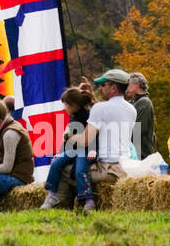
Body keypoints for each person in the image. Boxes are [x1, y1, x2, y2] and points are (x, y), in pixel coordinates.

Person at [78, 69, 137, 205]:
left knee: (68, 170)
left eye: (103, 85)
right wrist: (92, 96)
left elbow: (84, 141)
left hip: (107, 169)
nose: (100, 88)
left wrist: (69, 136)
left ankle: (78, 205)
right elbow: (109, 112)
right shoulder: (131, 110)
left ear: (114, 88)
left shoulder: (100, 108)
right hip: (124, 167)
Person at [40, 85, 95, 208]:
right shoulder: (73, 117)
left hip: (85, 150)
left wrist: (92, 150)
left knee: (80, 170)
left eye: (66, 105)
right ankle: (52, 194)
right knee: (56, 163)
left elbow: (93, 135)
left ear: (74, 104)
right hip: (74, 149)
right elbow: (68, 139)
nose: (64, 108)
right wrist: (60, 153)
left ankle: (88, 200)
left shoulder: (88, 116)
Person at [127, 72, 157, 159]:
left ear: (136, 84)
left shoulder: (144, 103)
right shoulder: (133, 103)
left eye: (128, 84)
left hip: (141, 155)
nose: (126, 88)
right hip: (134, 153)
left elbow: (137, 131)